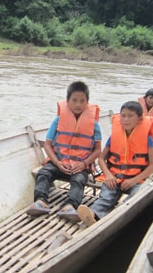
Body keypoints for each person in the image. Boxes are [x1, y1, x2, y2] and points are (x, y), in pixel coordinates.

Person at [26, 81, 102, 222]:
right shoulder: (58, 120)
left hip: (80, 166)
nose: (78, 104)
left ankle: (69, 206)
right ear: (67, 101)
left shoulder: (94, 125)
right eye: (74, 100)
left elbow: (98, 150)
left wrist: (84, 163)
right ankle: (41, 201)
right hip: (59, 162)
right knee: (43, 173)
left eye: (82, 101)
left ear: (87, 102)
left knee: (79, 180)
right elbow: (48, 145)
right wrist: (57, 162)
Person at [76, 101, 153, 226]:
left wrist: (134, 180)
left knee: (136, 197)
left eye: (130, 116)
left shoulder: (147, 139)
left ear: (139, 119)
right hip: (114, 177)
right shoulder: (114, 137)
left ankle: (119, 216)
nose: (125, 119)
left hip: (136, 180)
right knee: (106, 197)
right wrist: (108, 175)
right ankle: (93, 215)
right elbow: (101, 159)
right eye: (123, 116)